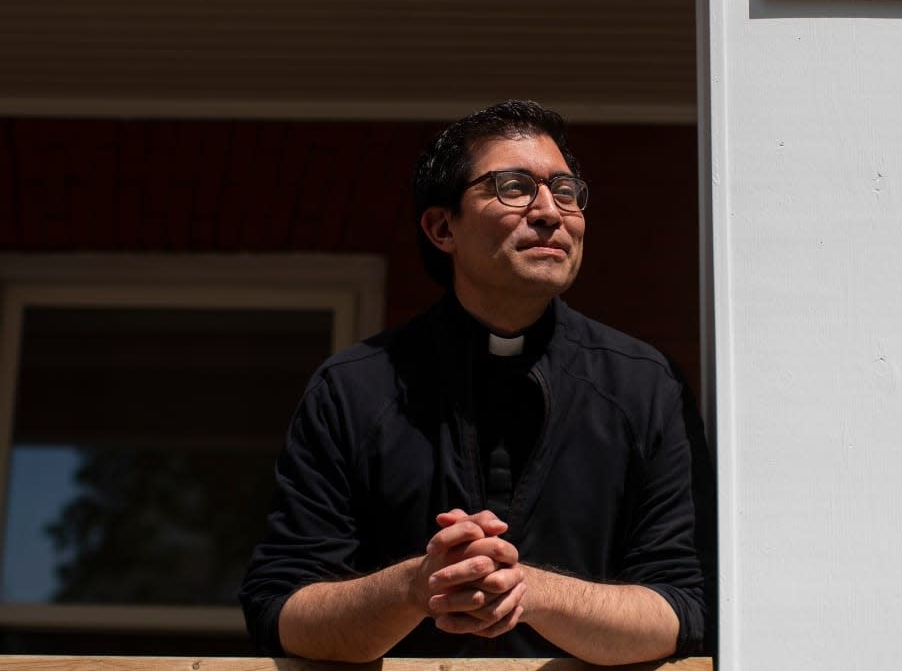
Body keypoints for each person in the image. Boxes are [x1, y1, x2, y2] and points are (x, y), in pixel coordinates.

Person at [239, 100, 712, 664]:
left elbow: (684, 610)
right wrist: (417, 587)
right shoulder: (352, 389)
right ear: (443, 228)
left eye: (566, 190)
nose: (549, 211)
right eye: (513, 187)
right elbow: (280, 612)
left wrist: (530, 590)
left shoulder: (645, 386)